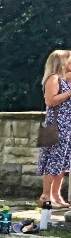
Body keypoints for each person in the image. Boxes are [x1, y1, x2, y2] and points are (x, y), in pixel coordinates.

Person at [39, 49, 71, 207]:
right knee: (53, 160)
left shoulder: (64, 78)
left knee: (63, 162)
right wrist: (69, 93)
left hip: (66, 125)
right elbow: (50, 101)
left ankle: (56, 196)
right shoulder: (53, 78)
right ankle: (45, 195)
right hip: (57, 125)